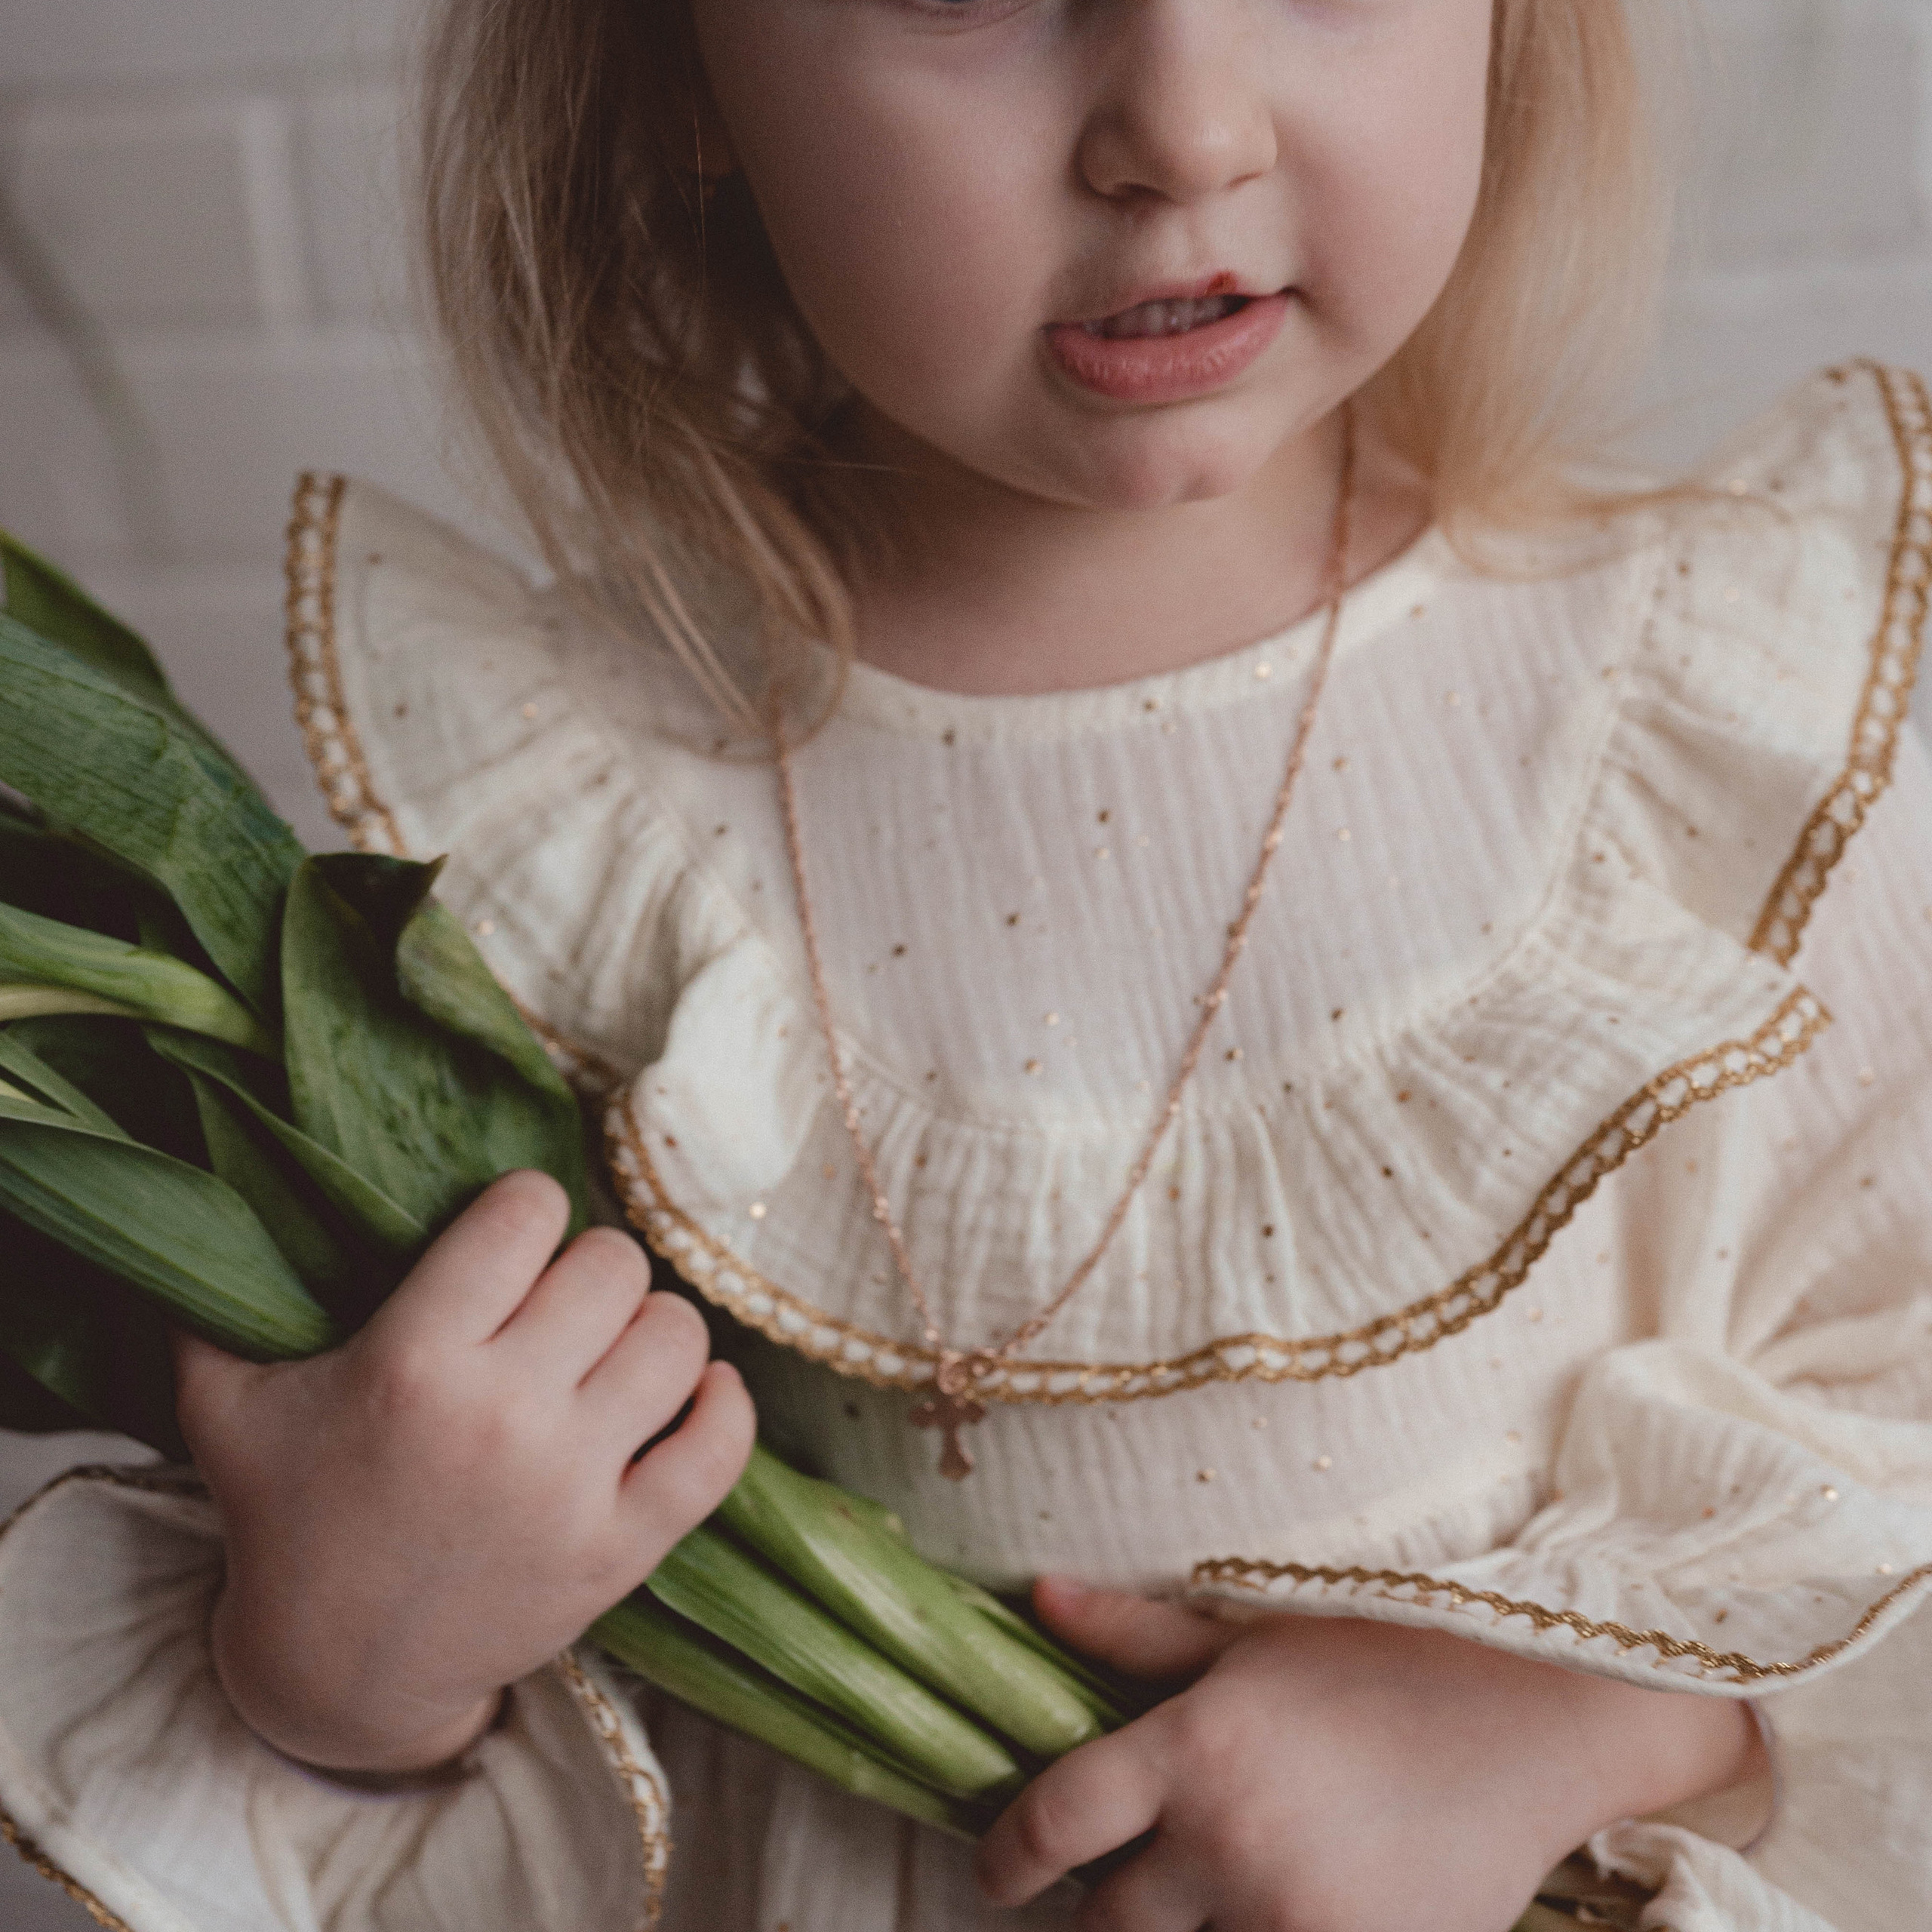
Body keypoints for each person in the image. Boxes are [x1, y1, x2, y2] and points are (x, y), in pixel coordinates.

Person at [0, 2, 1927, 1927]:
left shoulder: (1723, 733)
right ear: (677, 74)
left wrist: (1579, 1719)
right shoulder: (529, 855)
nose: (1181, 129)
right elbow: (569, 1734)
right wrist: (348, 1665)